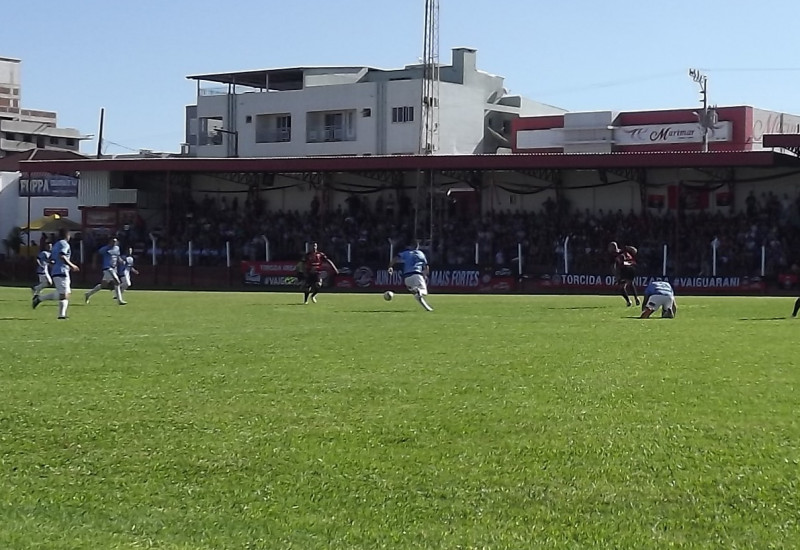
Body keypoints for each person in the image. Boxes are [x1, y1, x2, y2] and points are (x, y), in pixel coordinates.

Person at [32, 228, 80, 319]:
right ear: (67, 235)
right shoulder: (64, 244)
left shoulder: (56, 245)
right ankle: (61, 315)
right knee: (64, 295)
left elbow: (51, 259)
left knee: (65, 294)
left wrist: (53, 264)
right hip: (62, 271)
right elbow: (62, 256)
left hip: (56, 271)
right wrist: (72, 265)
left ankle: (39, 299)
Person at [388, 241, 434, 312]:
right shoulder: (421, 254)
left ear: (410, 246)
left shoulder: (406, 253)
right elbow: (426, 267)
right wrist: (424, 275)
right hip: (416, 275)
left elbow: (396, 258)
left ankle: (427, 308)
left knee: (416, 295)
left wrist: (390, 266)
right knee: (424, 292)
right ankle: (419, 291)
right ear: (418, 247)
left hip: (407, 278)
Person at [85, 236, 126, 305]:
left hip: (114, 268)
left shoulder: (117, 248)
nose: (114, 243)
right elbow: (96, 254)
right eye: (113, 241)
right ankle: (120, 300)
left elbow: (117, 257)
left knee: (103, 285)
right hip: (107, 268)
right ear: (109, 242)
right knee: (117, 282)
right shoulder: (105, 249)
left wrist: (121, 261)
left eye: (115, 241)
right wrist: (94, 263)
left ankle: (88, 294)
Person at [609, 241, 640, 307]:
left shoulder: (614, 255)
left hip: (625, 269)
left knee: (621, 287)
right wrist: (629, 248)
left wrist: (616, 275)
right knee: (630, 283)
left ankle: (628, 301)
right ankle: (636, 298)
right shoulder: (624, 250)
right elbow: (635, 251)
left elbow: (614, 266)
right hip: (633, 267)